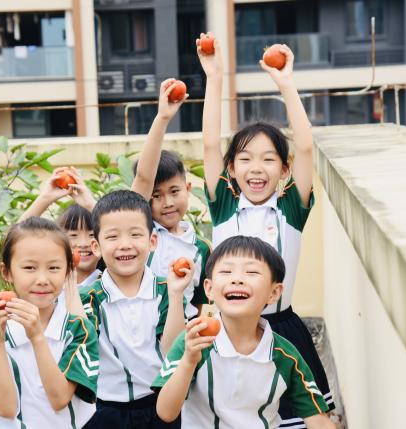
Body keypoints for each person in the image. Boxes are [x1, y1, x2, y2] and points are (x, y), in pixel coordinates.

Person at [198, 33, 334, 424]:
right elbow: (209, 144)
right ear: (231, 169)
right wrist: (215, 76)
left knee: (300, 418)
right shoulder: (224, 205)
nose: (256, 169)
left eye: (268, 160)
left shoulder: (291, 207)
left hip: (282, 327)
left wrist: (286, 84)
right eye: (245, 159)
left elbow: (306, 148)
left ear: (284, 170)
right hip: (230, 328)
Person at [153, 236, 335, 429]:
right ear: (209, 289)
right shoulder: (193, 342)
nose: (237, 279)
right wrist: (189, 361)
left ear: (274, 292)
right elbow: (166, 412)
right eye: (226, 271)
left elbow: (319, 421)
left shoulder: (286, 355)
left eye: (251, 272)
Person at [0, 217, 99, 428]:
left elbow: (59, 400)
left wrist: (37, 337)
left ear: (67, 271)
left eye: (54, 268)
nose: (42, 279)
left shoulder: (78, 330)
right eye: (29, 268)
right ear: (7, 272)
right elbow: (6, 409)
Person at [80, 190, 193, 429]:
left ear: (152, 241)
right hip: (103, 412)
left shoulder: (166, 290)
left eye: (135, 234)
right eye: (112, 237)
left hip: (160, 407)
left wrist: (175, 295)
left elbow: (174, 351)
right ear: (96, 246)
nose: (125, 245)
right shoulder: (88, 298)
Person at [130, 79, 211, 319]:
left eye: (174, 192)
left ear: (187, 188)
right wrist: (162, 118)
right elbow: (145, 175)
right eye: (156, 196)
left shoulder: (201, 248)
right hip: (140, 332)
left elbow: (197, 303)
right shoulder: (143, 232)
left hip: (180, 337)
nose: (167, 203)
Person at [21, 167, 101, 287]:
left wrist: (90, 204)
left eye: (91, 235)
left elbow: (120, 231)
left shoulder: (111, 282)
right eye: (73, 235)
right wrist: (45, 198)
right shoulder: (49, 284)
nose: (83, 243)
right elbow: (15, 239)